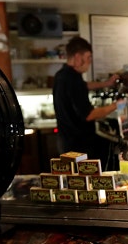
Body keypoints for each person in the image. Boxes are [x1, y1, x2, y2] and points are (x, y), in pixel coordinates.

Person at [52, 36, 121, 168]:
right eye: (88, 57)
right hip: (79, 145)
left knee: (75, 179)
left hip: (66, 140)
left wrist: (106, 83)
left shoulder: (62, 74)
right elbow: (89, 114)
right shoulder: (73, 79)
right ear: (78, 57)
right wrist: (117, 105)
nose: (90, 62)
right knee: (84, 182)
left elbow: (85, 86)